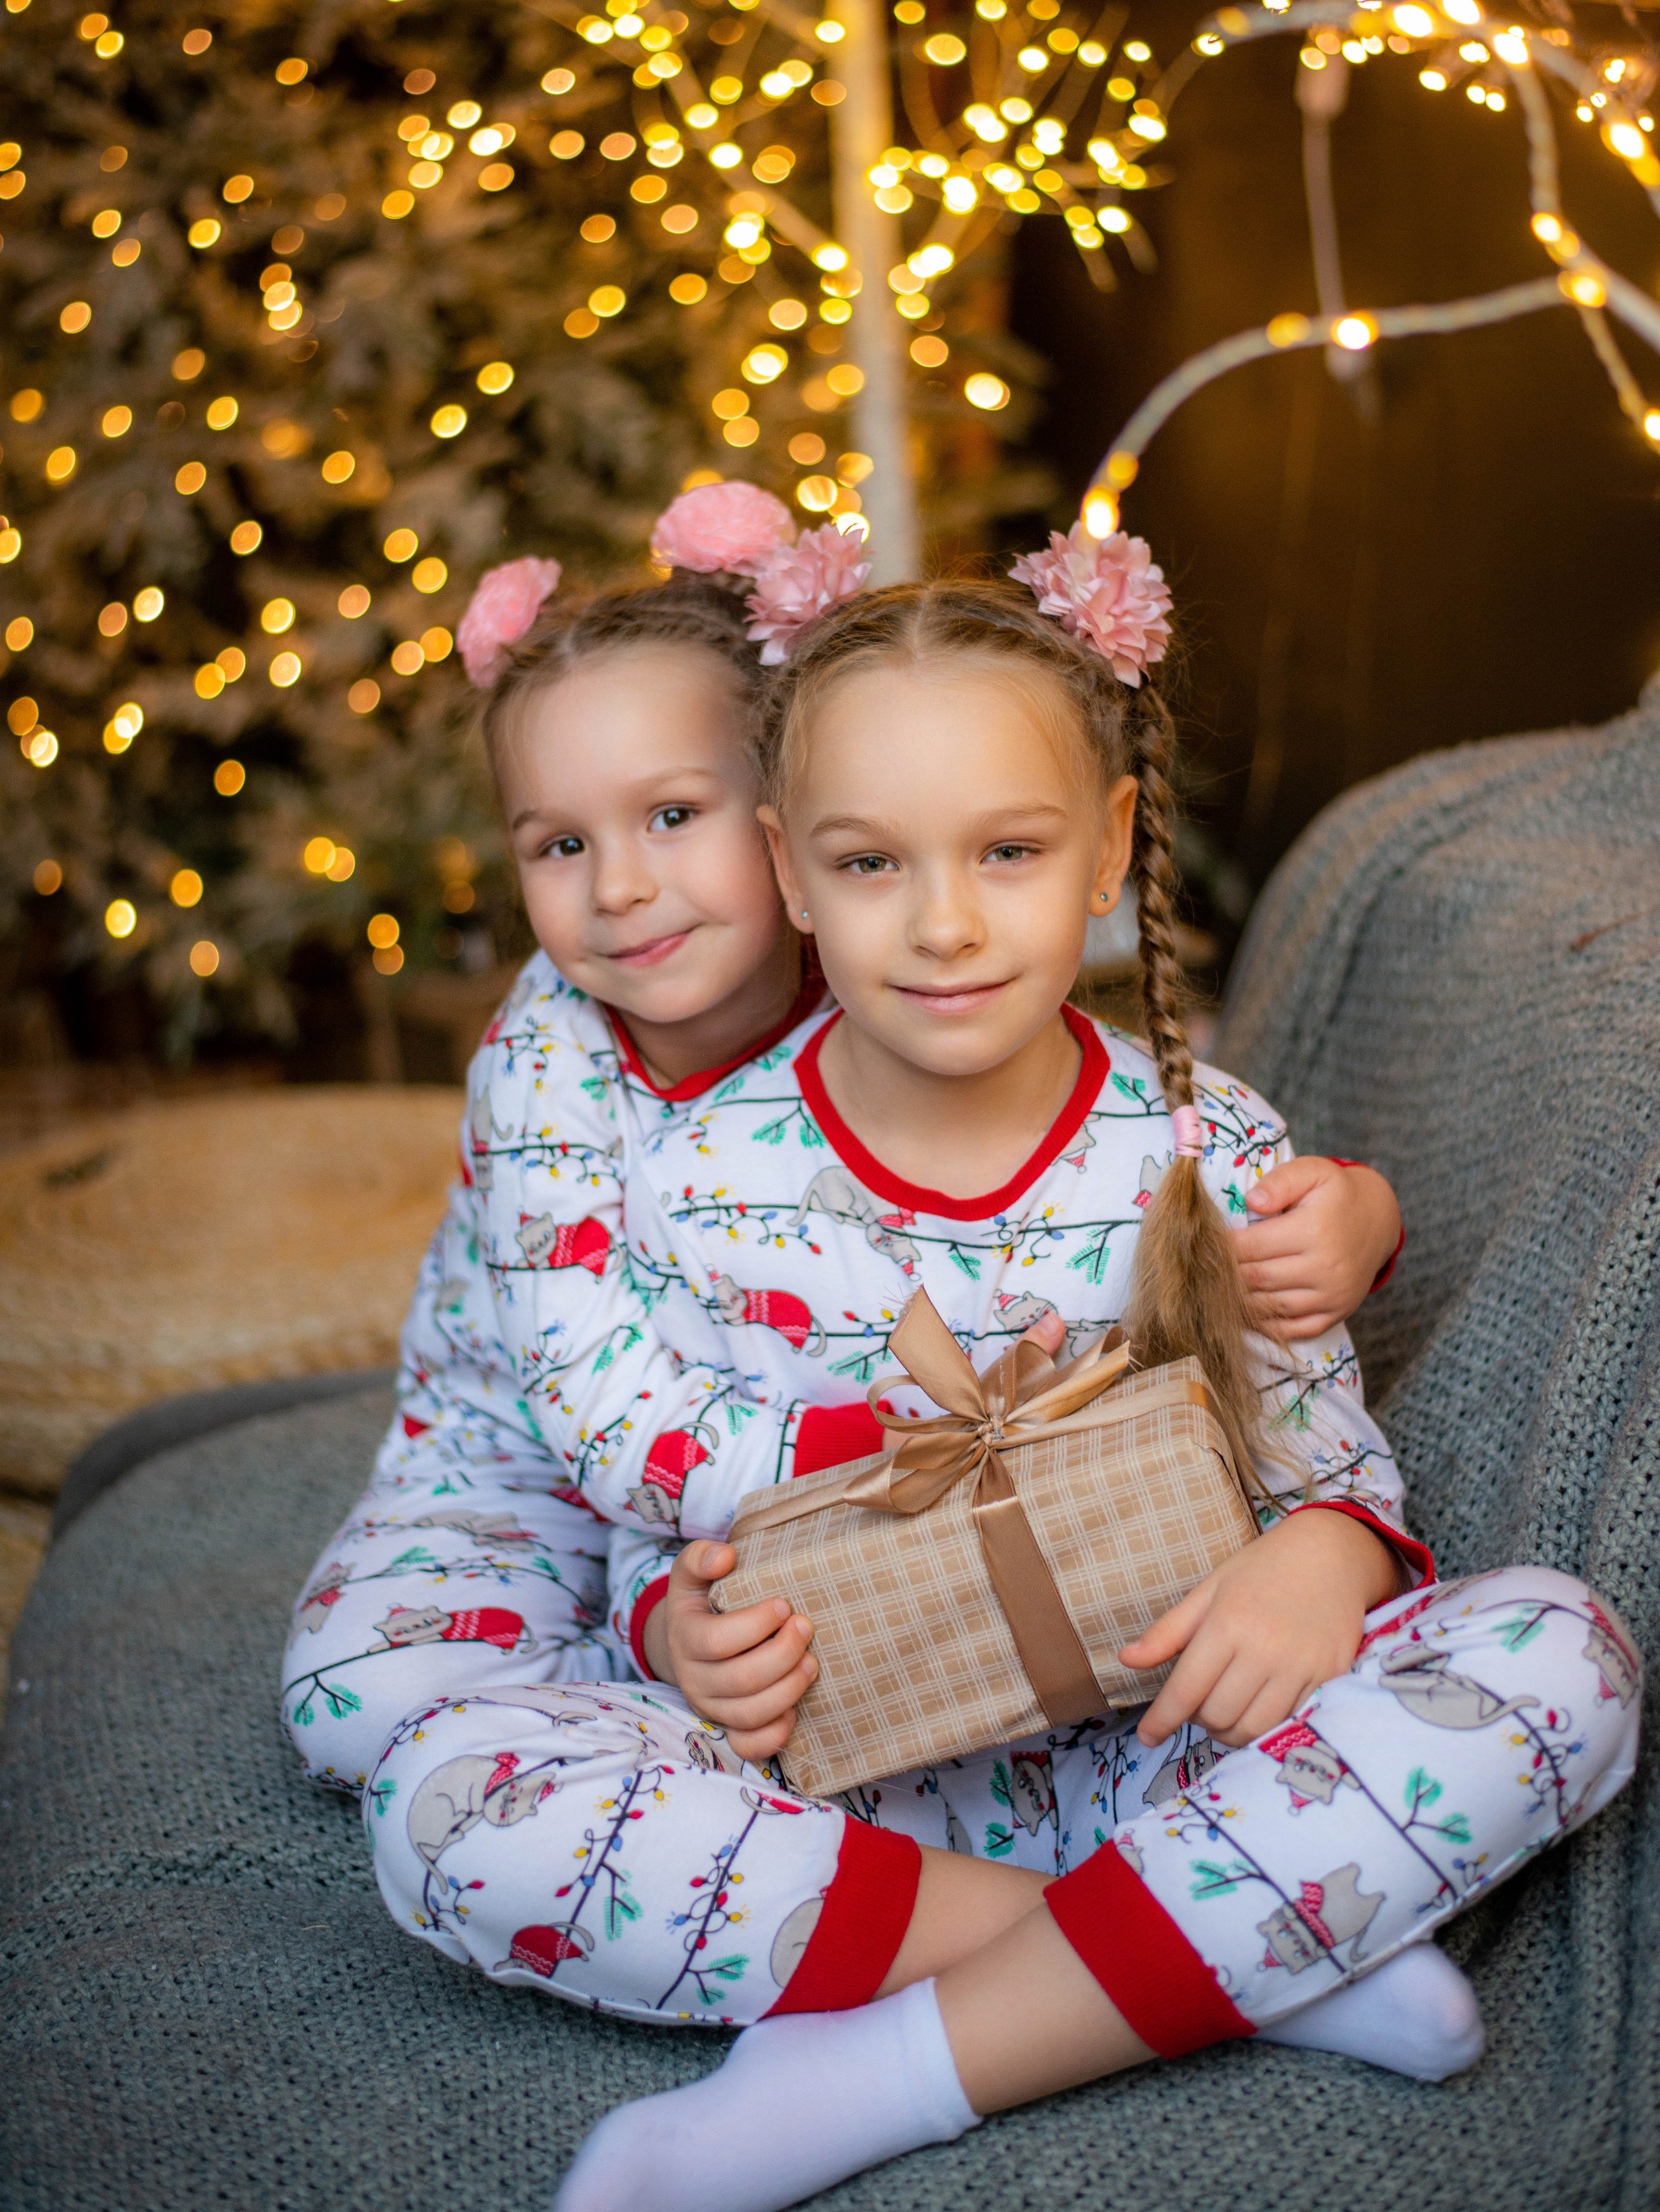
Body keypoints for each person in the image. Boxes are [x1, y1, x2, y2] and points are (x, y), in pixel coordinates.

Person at [358, 533, 1638, 2212]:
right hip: (848, 1794)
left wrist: (1320, 1558)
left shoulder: (1201, 1152)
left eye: (1010, 850)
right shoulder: (696, 1176)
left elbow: (1333, 1472)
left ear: (1108, 849)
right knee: (448, 1807)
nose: (947, 923)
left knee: (1565, 1655)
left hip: (1173, 1744)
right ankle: (1223, 1950)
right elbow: (663, 1510)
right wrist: (684, 1625)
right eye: (873, 863)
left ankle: (879, 2069)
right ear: (792, 877)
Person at [281, 487, 1403, 1793]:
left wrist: (1352, 1218)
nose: (621, 886)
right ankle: (605, 1731)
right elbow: (609, 1420)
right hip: (547, 1448)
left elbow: (1160, 1205)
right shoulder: (564, 1072)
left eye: (671, 814)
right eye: (561, 842)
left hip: (818, 1494)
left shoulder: (907, 998)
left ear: (782, 827)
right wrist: (695, 1606)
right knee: (366, 1711)